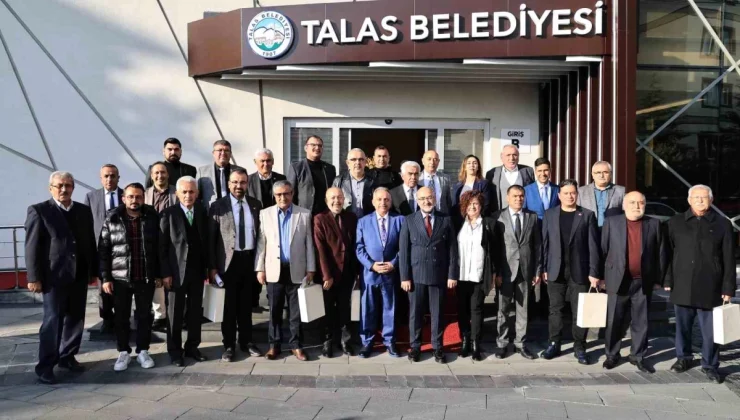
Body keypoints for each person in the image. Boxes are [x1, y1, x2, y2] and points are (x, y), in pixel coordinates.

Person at [25, 171, 98, 384]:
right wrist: (33, 277)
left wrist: (93, 271)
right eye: (59, 186)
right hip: (53, 277)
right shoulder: (39, 211)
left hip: (78, 274)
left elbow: (89, 242)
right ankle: (45, 366)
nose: (64, 189)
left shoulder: (83, 211)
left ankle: (68, 356)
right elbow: (32, 247)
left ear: (73, 187)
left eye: (68, 185)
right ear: (51, 188)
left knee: (76, 318)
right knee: (53, 320)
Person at [665, 185, 735, 383]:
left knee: (711, 331)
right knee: (682, 327)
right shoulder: (675, 222)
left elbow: (729, 258)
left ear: (711, 200)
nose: (700, 200)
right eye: (696, 197)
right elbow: (668, 254)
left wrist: (728, 287)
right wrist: (668, 279)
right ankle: (683, 358)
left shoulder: (722, 224)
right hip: (682, 283)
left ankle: (710, 365)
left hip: (711, 285)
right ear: (689, 200)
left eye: (704, 197)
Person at [601, 191, 668, 373]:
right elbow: (603, 250)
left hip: (643, 282)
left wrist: (659, 279)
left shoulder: (654, 224)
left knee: (641, 321)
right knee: (614, 320)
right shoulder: (611, 223)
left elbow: (661, 253)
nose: (637, 206)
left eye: (640, 203)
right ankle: (612, 355)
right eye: (632, 202)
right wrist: (601, 277)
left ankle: (637, 356)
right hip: (617, 280)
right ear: (624, 205)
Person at [99, 183, 160, 372]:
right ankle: (123, 352)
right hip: (120, 278)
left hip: (144, 276)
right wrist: (105, 278)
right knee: (121, 317)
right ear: (124, 198)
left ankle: (143, 350)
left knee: (144, 316)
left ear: (143, 198)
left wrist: (158, 274)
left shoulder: (152, 217)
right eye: (131, 196)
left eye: (138, 197)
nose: (135, 200)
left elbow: (159, 247)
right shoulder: (112, 218)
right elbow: (103, 249)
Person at [541, 179, 601, 365]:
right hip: (555, 270)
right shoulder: (550, 214)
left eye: (573, 193)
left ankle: (580, 346)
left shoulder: (587, 215)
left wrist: (594, 272)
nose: (569, 196)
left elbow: (593, 246)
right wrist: (543, 268)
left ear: (577, 194)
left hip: (580, 271)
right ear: (559, 195)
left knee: (580, 311)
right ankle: (554, 343)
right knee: (555, 310)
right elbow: (545, 243)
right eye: (566, 193)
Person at [256, 180, 316, 361]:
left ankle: (296, 345)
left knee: (295, 312)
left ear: (292, 193)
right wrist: (259, 268)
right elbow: (261, 243)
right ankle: (274, 345)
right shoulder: (265, 214)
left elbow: (309, 243)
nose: (283, 197)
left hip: (297, 269)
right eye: (279, 194)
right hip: (273, 270)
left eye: (286, 193)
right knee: (274, 311)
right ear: (274, 196)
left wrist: (311, 268)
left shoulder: (304, 214)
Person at [209, 169, 264, 362]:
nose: (238, 186)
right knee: (229, 307)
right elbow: (211, 239)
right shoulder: (218, 206)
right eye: (235, 182)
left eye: (242, 182)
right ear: (229, 184)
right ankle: (229, 345)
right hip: (227, 264)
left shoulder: (256, 205)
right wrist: (212, 267)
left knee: (246, 306)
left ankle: (247, 342)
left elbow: (260, 235)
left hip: (249, 261)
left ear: (247, 183)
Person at [399, 186, 459, 364]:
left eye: (430, 197)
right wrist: (404, 277)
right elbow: (404, 251)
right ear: (417, 201)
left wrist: (452, 275)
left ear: (435, 198)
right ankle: (415, 346)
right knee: (415, 313)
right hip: (416, 276)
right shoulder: (409, 220)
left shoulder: (445, 219)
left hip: (438, 274)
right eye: (423, 198)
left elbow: (452, 250)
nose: (427, 201)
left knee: (437, 313)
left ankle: (437, 347)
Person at [158, 176, 209, 367]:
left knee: (195, 313)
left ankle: (192, 347)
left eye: (191, 191)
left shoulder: (202, 212)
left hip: (197, 272)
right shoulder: (168, 214)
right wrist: (165, 273)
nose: (188, 195)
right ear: (177, 194)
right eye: (184, 192)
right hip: (175, 273)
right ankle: (174, 351)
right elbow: (162, 247)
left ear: (197, 193)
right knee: (175, 314)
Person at [493, 185, 541, 360]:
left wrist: (537, 270)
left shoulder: (532, 217)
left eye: (521, 196)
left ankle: (521, 343)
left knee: (523, 309)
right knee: (503, 309)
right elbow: (496, 248)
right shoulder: (498, 217)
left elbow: (537, 246)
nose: (518, 199)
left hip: (526, 270)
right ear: (507, 198)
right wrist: (496, 272)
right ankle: (502, 343)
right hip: (505, 271)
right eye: (514, 196)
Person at [356, 188, 404, 358]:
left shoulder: (400, 220)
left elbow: (404, 247)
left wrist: (393, 263)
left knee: (390, 308)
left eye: (386, 199)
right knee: (368, 308)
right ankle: (367, 342)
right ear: (373, 202)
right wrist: (371, 265)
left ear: (391, 202)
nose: (383, 203)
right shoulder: (363, 222)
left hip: (391, 273)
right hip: (370, 274)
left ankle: (389, 341)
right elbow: (359, 248)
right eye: (379, 199)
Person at [313, 187, 358, 358]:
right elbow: (320, 249)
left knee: (345, 308)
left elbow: (355, 244)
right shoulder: (320, 218)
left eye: (339, 197)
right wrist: (326, 275)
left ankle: (345, 341)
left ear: (344, 199)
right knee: (327, 309)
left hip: (347, 272)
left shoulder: (351, 217)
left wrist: (357, 272)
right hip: (329, 274)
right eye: (332, 198)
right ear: (326, 201)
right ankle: (327, 341)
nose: (336, 201)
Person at [455, 190, 496, 361]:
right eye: (469, 204)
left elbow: (495, 252)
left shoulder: (489, 224)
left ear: (481, 206)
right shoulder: (458, 223)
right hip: (461, 275)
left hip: (479, 275)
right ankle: (464, 340)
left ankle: (475, 344)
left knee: (476, 309)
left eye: (476, 204)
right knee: (462, 310)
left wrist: (494, 274)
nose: (472, 207)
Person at [84, 164, 122, 334]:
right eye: (106, 176)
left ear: (118, 178)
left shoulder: (126, 195)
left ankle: (121, 317)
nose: (109, 179)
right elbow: (86, 223)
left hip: (122, 248)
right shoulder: (91, 197)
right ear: (101, 178)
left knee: (122, 286)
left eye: (113, 175)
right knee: (103, 287)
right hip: (101, 249)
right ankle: (106, 318)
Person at [247, 148, 286, 312]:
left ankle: (274, 301)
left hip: (276, 229)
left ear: (273, 162)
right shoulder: (248, 180)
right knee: (256, 265)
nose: (265, 164)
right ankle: (253, 302)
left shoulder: (281, 179)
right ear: (255, 163)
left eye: (268, 160)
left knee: (274, 264)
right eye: (262, 161)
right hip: (254, 228)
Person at [145, 161, 178, 332]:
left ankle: (176, 313)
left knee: (173, 278)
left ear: (168, 174)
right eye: (156, 173)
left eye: (163, 172)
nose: (160, 175)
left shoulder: (177, 193)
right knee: (156, 279)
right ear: (151, 176)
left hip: (173, 243)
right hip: (152, 242)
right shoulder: (144, 194)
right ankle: (160, 315)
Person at [288, 135, 337, 216]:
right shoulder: (296, 167)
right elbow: (291, 193)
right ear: (306, 148)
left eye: (320, 145)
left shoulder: (330, 169)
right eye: (313, 145)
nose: (317, 148)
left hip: (325, 215)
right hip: (303, 214)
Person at [196, 140, 244, 210]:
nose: (223, 153)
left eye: (226, 150)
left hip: (235, 211)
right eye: (220, 150)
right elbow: (197, 196)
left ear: (230, 154)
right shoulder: (202, 171)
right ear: (213, 153)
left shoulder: (240, 171)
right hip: (211, 212)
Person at [485, 145, 535, 211]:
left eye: (514, 155)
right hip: (499, 214)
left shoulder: (528, 171)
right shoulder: (492, 173)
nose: (512, 158)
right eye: (508, 155)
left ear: (518, 156)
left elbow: (532, 194)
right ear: (502, 157)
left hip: (522, 214)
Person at [577, 161, 625, 227]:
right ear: (592, 175)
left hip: (613, 229)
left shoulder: (621, 191)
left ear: (610, 174)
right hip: (588, 229)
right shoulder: (581, 192)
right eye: (598, 172)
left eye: (605, 172)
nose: (602, 175)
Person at [332, 148, 376, 218]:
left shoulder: (373, 181)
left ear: (365, 162)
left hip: (367, 222)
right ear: (348, 163)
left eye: (361, 159)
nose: (357, 162)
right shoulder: (339, 181)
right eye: (353, 159)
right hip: (345, 222)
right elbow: (332, 204)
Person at [419, 150, 453, 214]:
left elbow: (449, 200)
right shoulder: (417, 178)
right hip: (422, 216)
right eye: (429, 159)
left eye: (435, 159)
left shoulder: (445, 178)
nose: (432, 162)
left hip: (442, 215)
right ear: (423, 161)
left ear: (438, 162)